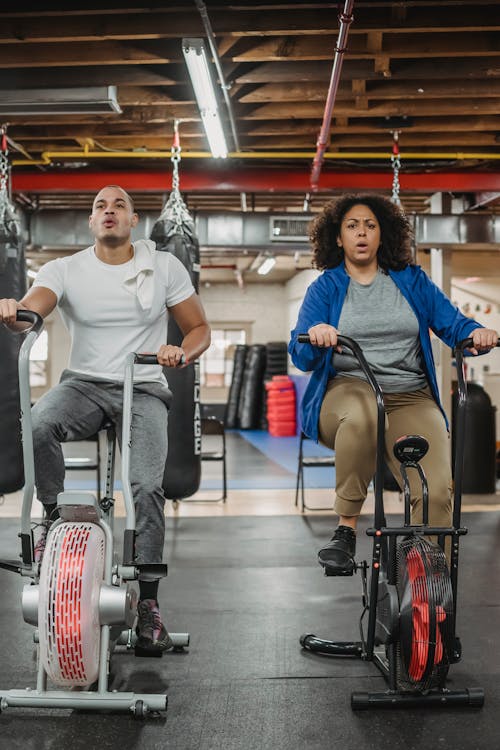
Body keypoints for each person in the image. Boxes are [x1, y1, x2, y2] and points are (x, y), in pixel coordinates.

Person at [0, 185, 211, 652]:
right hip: (83, 383)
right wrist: (15, 312)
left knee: (145, 486)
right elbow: (33, 310)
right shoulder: (66, 268)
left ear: (134, 220)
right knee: (37, 425)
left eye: (119, 205)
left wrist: (181, 350)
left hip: (145, 382)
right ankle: (55, 521)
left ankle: (150, 606)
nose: (109, 211)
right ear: (91, 222)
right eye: (100, 205)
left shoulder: (164, 265)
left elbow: (199, 328)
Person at [289, 193, 498, 576]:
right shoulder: (326, 288)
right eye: (352, 226)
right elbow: (300, 354)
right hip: (348, 390)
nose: (362, 233)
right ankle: (346, 529)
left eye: (370, 225)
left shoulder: (411, 281)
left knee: (435, 490)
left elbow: (453, 325)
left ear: (382, 234)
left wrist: (476, 333)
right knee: (366, 412)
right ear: (338, 238)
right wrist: (314, 333)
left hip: (410, 396)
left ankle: (428, 577)